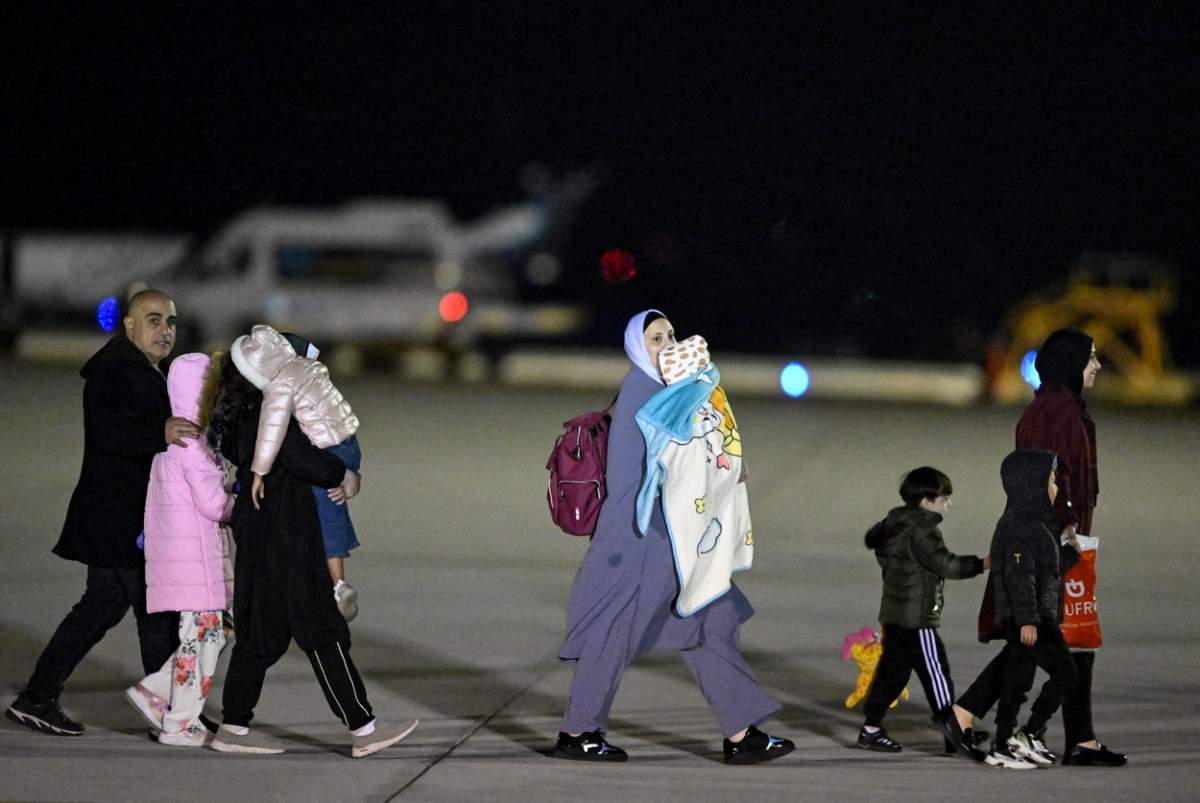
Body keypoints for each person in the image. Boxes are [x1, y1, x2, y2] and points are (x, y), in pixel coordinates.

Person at [554, 309, 793, 765]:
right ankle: (579, 731)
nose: (667, 344)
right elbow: (639, 480)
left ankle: (742, 733)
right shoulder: (642, 393)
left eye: (670, 335)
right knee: (614, 633)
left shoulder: (670, 391)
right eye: (655, 339)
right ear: (635, 348)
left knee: (712, 621)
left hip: (677, 539)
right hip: (642, 540)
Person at [7, 289, 200, 736]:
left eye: (170, 322)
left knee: (99, 609)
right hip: (119, 518)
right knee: (156, 613)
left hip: (120, 517)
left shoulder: (145, 371)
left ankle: (37, 697)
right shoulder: (115, 372)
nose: (165, 330)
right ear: (129, 326)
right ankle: (171, 713)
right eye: (153, 320)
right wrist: (160, 430)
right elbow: (109, 432)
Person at [205, 350, 415, 757]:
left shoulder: (235, 419)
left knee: (260, 634)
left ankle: (233, 725)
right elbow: (300, 457)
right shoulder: (271, 416)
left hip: (257, 531)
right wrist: (345, 476)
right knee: (321, 629)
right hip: (287, 533)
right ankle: (363, 726)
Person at [1016, 330, 1125, 766]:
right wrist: (1067, 533)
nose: (1097, 366)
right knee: (1055, 642)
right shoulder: (1060, 412)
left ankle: (1081, 739)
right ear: (1070, 362)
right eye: (1091, 358)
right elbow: (1051, 477)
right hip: (1058, 542)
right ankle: (975, 717)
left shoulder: (1052, 407)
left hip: (1058, 538)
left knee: (1069, 639)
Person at [124, 353, 235, 747]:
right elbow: (213, 504)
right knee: (200, 637)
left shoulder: (177, 441)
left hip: (188, 559)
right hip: (196, 562)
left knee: (215, 631)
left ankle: (155, 691)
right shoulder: (193, 444)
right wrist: (241, 501)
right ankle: (179, 722)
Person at [958, 449, 1080, 769]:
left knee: (1018, 677)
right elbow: (1019, 574)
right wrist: (1028, 620)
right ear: (1032, 483)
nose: (1055, 486)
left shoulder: (1040, 521)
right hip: (1029, 618)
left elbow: (1049, 569)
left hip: (1038, 615)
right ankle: (1021, 736)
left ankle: (1007, 741)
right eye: (1051, 480)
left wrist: (1070, 550)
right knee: (1065, 674)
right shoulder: (1017, 525)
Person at [230, 324, 362, 621]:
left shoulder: (279, 386)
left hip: (328, 448)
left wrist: (259, 471)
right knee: (335, 502)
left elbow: (272, 430)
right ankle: (336, 583)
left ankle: (338, 585)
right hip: (350, 442)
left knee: (325, 511)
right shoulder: (306, 367)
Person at [856, 467, 988, 759]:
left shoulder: (893, 524)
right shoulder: (922, 530)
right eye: (944, 498)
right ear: (926, 501)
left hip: (894, 613)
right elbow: (947, 565)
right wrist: (983, 564)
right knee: (937, 673)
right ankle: (954, 731)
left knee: (892, 674)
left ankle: (871, 728)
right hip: (916, 619)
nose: (948, 504)